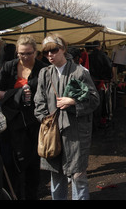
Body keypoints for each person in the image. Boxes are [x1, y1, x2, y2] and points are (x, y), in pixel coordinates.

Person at [34, 34, 100, 200]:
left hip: (76, 132)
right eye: (46, 52)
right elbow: (39, 101)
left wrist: (73, 102)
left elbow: (94, 100)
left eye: (54, 50)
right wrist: (44, 119)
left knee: (77, 175)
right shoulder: (44, 73)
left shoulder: (79, 72)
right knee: (56, 174)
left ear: (63, 49)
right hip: (52, 132)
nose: (50, 55)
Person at [0, 34, 48, 200]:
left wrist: (8, 95)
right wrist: (17, 94)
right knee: (10, 164)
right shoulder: (9, 66)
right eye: (21, 53)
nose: (24, 57)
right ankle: (14, 196)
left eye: (28, 53)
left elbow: (45, 96)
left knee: (32, 165)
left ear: (35, 52)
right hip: (10, 123)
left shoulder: (43, 69)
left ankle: (32, 196)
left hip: (33, 123)